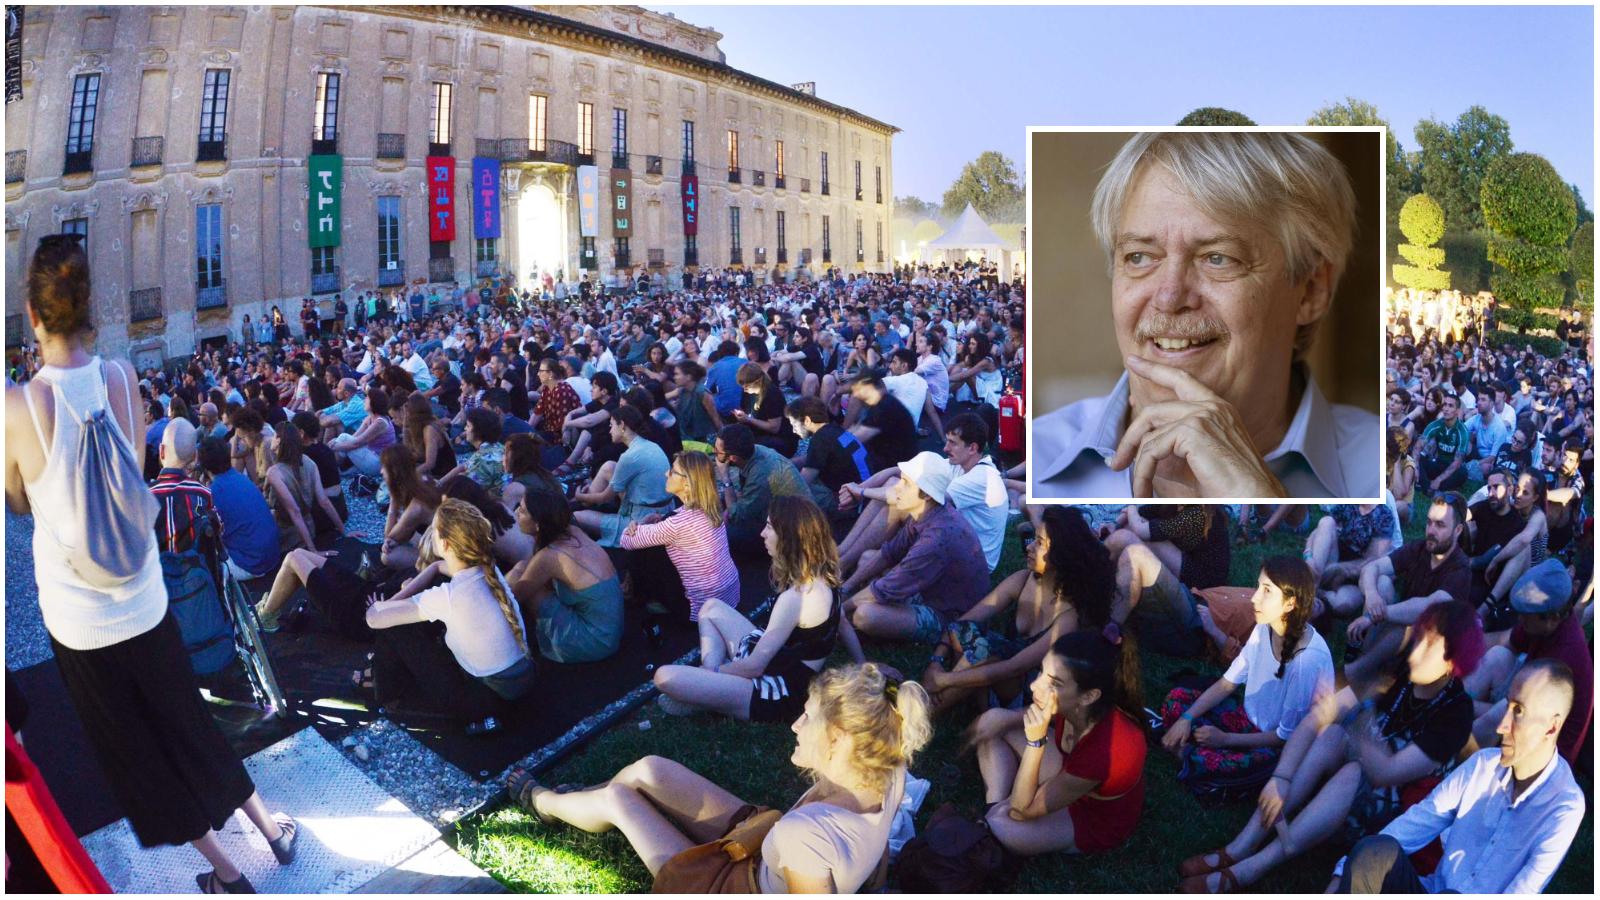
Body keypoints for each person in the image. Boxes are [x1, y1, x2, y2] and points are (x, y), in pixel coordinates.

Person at [4, 233, 299, 893]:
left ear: (32, 314)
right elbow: (132, 470)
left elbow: (18, 500)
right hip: (143, 597)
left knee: (140, 751)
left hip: (82, 623)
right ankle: (271, 831)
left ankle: (226, 873)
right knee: (188, 723)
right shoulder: (121, 377)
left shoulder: (18, 407)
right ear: (90, 309)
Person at [1031, 131, 1375, 499]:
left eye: (1218, 258)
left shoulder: (1385, 473)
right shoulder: (1030, 462)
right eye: (1140, 257)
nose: (1169, 297)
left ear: (1310, 290)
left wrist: (1258, 504)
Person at [506, 662, 932, 893]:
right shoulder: (889, 769)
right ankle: (584, 798)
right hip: (763, 846)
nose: (795, 725)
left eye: (808, 718)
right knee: (649, 769)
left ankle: (543, 802)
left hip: (731, 887)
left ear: (838, 740)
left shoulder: (809, 837)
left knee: (620, 799)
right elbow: (878, 860)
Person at [1176, 600, 1483, 893]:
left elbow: (1387, 773)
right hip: (1359, 769)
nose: (1416, 652)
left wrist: (1359, 720)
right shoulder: (1405, 670)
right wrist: (1280, 778)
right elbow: (1316, 720)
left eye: (1430, 646)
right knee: (1332, 734)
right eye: (1419, 639)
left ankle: (1252, 868)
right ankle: (1240, 845)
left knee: (1350, 764)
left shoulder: (1455, 714)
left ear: (1453, 663)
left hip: (1394, 813)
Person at [1331, 659, 1585, 894]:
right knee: (1374, 851)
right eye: (1507, 706)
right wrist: (1346, 869)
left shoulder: (1564, 806)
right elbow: (1416, 822)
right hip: (1433, 890)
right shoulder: (1483, 765)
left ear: (1551, 727)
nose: (1501, 726)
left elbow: (1524, 890)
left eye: (1518, 711)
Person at [653, 495, 841, 720]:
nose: (762, 533)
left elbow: (754, 667)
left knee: (663, 676)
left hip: (777, 691)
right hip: (784, 664)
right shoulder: (826, 576)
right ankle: (709, 691)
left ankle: (708, 688)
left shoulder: (796, 597)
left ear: (789, 538)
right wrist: (862, 664)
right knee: (711, 607)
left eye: (770, 527)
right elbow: (843, 624)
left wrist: (709, 673)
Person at [967, 628, 1147, 856]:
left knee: (1006, 824)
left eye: (1054, 683)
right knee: (994, 727)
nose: (1035, 686)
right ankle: (994, 807)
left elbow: (1022, 811)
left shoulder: (1106, 750)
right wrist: (1005, 717)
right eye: (1041, 672)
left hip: (1090, 814)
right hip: (1069, 768)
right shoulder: (1078, 706)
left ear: (1089, 696)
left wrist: (1036, 743)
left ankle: (993, 823)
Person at [362, 498, 536, 735]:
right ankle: (383, 680)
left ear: (444, 544)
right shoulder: (489, 569)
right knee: (413, 610)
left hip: (482, 701)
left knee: (393, 628)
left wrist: (388, 603)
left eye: (433, 530)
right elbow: (439, 569)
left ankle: (384, 690)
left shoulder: (450, 596)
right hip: (521, 682)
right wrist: (431, 569)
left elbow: (373, 618)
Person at [1159, 557, 1334, 791]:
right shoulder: (1265, 627)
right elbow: (1227, 683)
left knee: (1214, 762)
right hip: (1246, 718)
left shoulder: (1307, 662)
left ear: (1290, 604)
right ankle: (1190, 749)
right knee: (1176, 700)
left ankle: (1197, 756)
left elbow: (1284, 737)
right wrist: (1186, 719)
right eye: (1258, 587)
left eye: (1267, 591)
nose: (1254, 598)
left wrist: (1225, 739)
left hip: (1276, 745)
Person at [922, 505, 1115, 713]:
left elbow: (1015, 667)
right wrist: (936, 660)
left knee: (986, 651)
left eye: (1040, 543)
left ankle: (922, 713)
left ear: (1061, 554)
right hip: (990, 673)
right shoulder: (1022, 580)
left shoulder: (1068, 617)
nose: (1030, 547)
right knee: (974, 639)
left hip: (1023, 693)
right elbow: (962, 624)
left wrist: (945, 679)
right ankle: (930, 705)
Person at [838, 451, 989, 651]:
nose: (896, 488)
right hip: (932, 589)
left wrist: (836, 611)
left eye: (906, 484)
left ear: (926, 494)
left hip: (949, 615)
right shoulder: (927, 513)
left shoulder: (936, 539)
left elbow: (882, 589)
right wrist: (845, 589)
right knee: (868, 558)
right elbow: (888, 553)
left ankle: (864, 627)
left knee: (866, 615)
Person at [1464, 560, 1591, 765]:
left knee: (1499, 713)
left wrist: (1461, 703)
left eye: (1526, 615)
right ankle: (1445, 707)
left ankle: (1448, 756)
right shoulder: (1542, 622)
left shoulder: (1563, 658)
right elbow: (1506, 641)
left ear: (1553, 618)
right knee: (1498, 656)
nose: (1520, 619)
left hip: (1546, 749)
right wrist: (1462, 648)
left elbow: (1517, 715)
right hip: (1525, 703)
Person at [1342, 494, 1472, 689]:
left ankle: (1356, 671)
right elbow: (1372, 568)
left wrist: (1374, 616)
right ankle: (1367, 661)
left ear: (1458, 530)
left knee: (1412, 625)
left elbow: (1429, 608)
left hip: (1431, 648)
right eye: (1429, 523)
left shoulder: (1460, 569)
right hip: (1400, 628)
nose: (1431, 530)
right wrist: (1371, 595)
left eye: (1440, 525)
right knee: (1382, 582)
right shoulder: (1420, 549)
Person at [618, 450, 740, 622]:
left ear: (687, 485)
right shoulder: (712, 506)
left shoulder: (676, 524)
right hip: (730, 596)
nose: (666, 473)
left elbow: (626, 541)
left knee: (641, 552)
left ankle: (636, 595)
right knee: (657, 540)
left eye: (673, 471)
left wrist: (642, 522)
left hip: (700, 612)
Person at [507, 489, 624, 664]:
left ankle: (505, 649)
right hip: (610, 630)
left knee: (517, 577)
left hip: (594, 641)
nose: (516, 512)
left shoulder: (549, 556)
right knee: (522, 567)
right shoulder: (572, 531)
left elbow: (514, 598)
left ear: (538, 524)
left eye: (522, 510)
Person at [1106, 504, 1230, 658]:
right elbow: (1142, 512)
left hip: (1202, 582)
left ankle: (1108, 603)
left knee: (1129, 535)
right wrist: (1116, 524)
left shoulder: (1198, 513)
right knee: (1127, 528)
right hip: (1188, 561)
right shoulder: (1173, 502)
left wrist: (1131, 506)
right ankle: (1105, 576)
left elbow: (1140, 529)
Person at [571, 405, 673, 547]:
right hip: (662, 508)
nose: (610, 430)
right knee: (609, 466)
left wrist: (579, 495)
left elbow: (604, 498)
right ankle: (585, 500)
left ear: (622, 425)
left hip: (642, 519)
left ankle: (580, 501)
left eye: (612, 425)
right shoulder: (650, 445)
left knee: (577, 517)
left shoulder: (629, 457)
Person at [715, 423, 809, 560]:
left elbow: (737, 517)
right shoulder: (756, 450)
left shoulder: (760, 475)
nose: (715, 454)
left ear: (733, 458)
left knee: (725, 536)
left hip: (793, 532)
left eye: (717, 452)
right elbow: (744, 494)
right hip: (782, 509)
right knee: (724, 500)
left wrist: (725, 477)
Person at [197, 437, 282, 583]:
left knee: (198, 563)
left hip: (251, 564)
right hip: (271, 556)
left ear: (204, 466)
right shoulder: (239, 478)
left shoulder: (214, 492)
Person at [848, 371, 917, 476]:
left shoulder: (884, 408)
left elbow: (855, 440)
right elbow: (855, 429)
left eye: (858, 390)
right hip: (890, 458)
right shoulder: (882, 402)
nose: (856, 395)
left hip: (894, 466)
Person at [328, 385, 396, 478]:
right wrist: (336, 442)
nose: (364, 400)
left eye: (367, 398)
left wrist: (336, 447)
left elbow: (356, 443)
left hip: (379, 463)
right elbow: (355, 437)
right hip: (371, 456)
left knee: (343, 438)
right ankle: (336, 469)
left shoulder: (380, 422)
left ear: (374, 402)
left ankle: (333, 469)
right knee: (343, 438)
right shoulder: (370, 417)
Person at [733, 362, 798, 458]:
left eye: (747, 386)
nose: (744, 389)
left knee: (746, 446)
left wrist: (748, 419)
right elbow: (745, 410)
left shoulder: (771, 394)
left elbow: (774, 427)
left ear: (758, 382)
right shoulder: (747, 392)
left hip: (779, 438)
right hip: (758, 432)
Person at [1417, 393, 1470, 493]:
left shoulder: (1462, 431)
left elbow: (1457, 462)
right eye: (1444, 405)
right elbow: (1417, 448)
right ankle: (1428, 487)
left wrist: (1438, 479)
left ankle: (1431, 486)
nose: (1446, 408)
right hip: (1437, 462)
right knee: (1417, 459)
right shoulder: (1435, 425)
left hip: (1452, 468)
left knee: (1463, 473)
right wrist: (1415, 467)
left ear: (1457, 411)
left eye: (1450, 406)